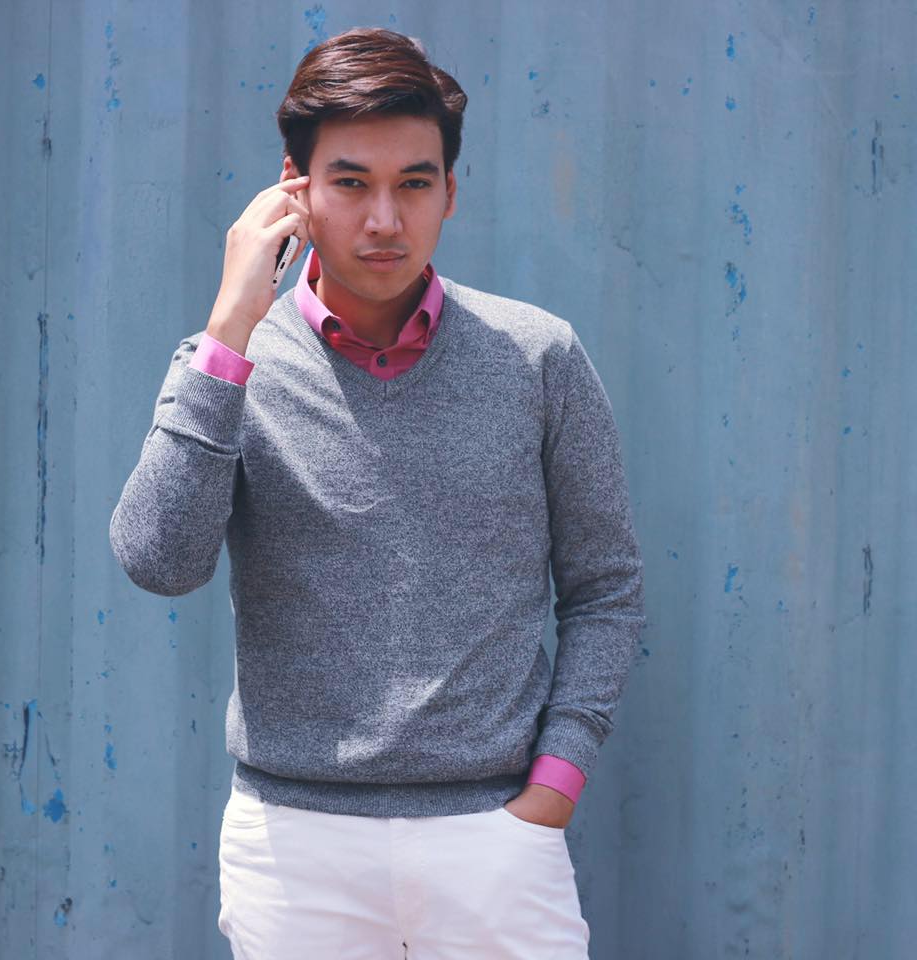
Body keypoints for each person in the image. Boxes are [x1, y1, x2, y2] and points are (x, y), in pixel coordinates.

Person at [109, 25, 645, 960]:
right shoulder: (228, 368)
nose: (385, 220)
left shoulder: (537, 357)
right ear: (295, 189)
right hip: (294, 848)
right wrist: (230, 326)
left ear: (450, 193)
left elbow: (605, 588)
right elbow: (159, 561)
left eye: (415, 184)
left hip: (496, 839)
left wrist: (554, 785)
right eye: (351, 183)